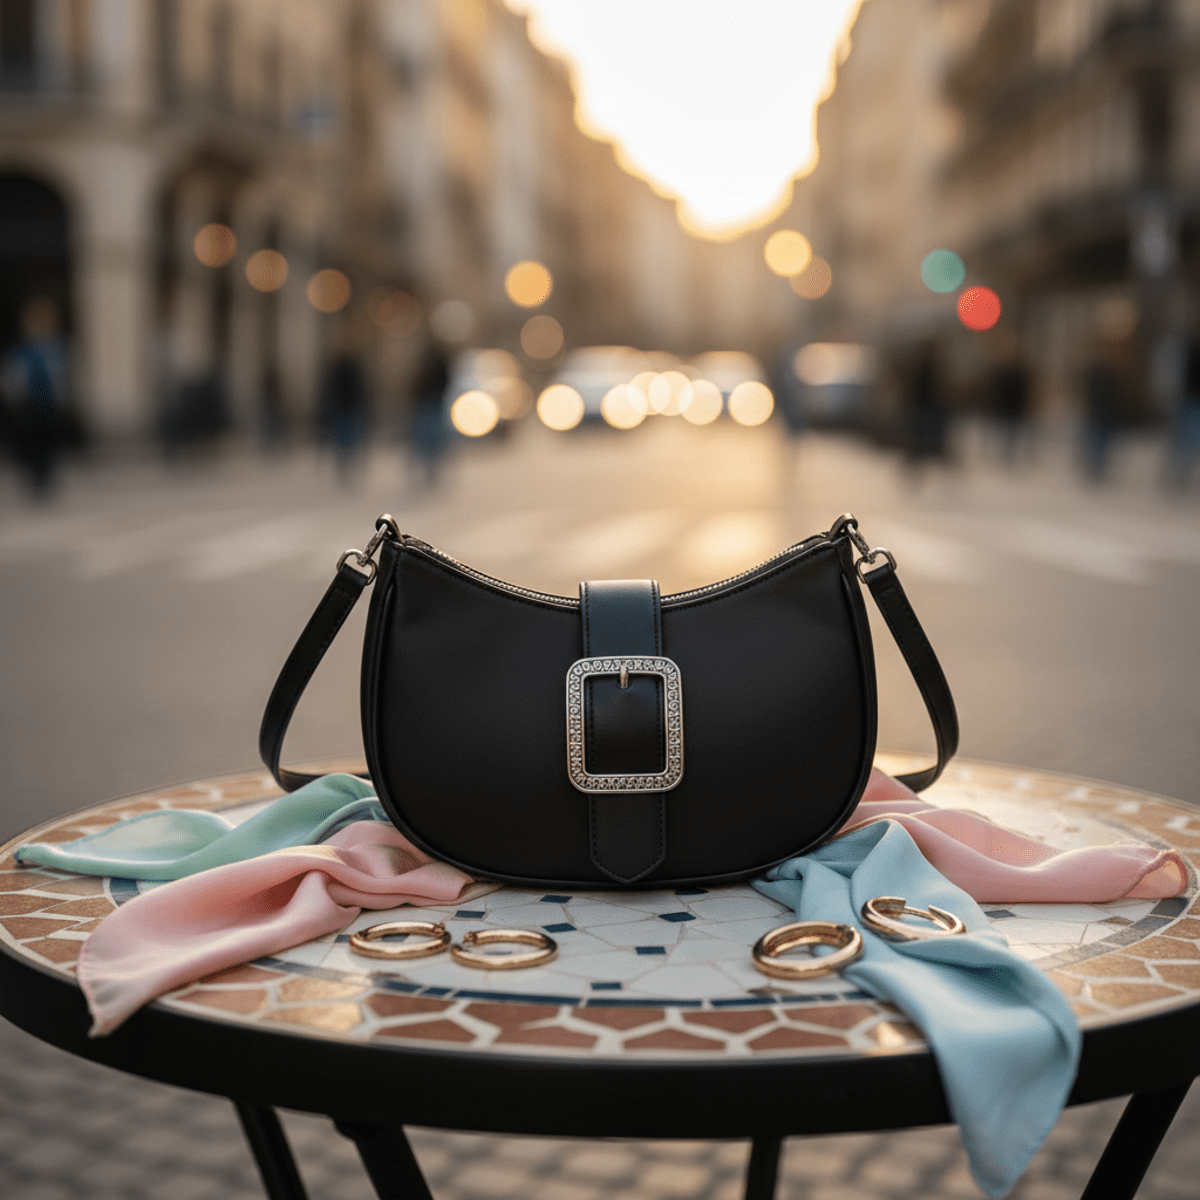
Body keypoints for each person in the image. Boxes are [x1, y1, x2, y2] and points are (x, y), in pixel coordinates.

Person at [1, 296, 70, 499]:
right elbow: (11, 378)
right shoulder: (23, 351)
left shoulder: (57, 348)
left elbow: (64, 377)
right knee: (31, 446)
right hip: (29, 408)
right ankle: (36, 478)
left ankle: (45, 477)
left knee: (49, 445)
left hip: (49, 407)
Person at [317, 325, 369, 483]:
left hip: (348, 409)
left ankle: (347, 465)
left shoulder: (349, 367)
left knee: (347, 439)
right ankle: (344, 465)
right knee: (344, 439)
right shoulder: (341, 367)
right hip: (342, 409)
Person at [407, 335, 450, 488]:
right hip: (429, 403)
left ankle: (428, 469)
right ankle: (427, 469)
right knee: (430, 439)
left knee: (429, 439)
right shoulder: (429, 363)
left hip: (431, 403)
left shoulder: (429, 363)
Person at [1162, 333, 1200, 491]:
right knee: (1187, 438)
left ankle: (1177, 470)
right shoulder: (1190, 350)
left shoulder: (1189, 350)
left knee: (1187, 437)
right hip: (1191, 398)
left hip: (1190, 398)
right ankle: (1177, 470)